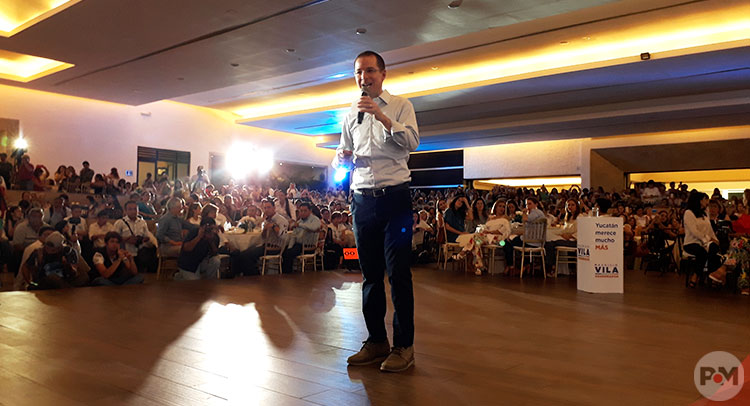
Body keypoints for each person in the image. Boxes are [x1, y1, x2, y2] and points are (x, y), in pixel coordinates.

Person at [335, 51, 419, 372]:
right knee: (369, 276)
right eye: (359, 72)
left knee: (398, 274)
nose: (363, 77)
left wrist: (382, 117)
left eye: (370, 70)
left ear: (383, 74)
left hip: (394, 198)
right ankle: (376, 341)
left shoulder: (400, 106)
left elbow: (412, 142)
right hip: (362, 200)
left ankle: (404, 346)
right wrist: (341, 158)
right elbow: (341, 153)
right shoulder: (350, 114)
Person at [21, 231, 88, 290]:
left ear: (60, 247)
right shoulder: (39, 252)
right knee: (53, 278)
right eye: (47, 248)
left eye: (53, 250)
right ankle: (69, 291)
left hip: (67, 279)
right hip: (45, 281)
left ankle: (69, 290)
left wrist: (66, 265)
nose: (49, 251)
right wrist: (30, 282)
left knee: (84, 277)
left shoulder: (68, 252)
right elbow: (25, 266)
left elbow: (74, 273)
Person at [683, 191, 723, 287]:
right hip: (692, 242)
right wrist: (708, 239)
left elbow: (709, 229)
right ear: (700, 200)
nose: (707, 202)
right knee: (702, 252)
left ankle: (712, 275)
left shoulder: (705, 213)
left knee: (714, 249)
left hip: (705, 242)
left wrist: (715, 239)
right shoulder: (689, 213)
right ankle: (696, 275)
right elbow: (694, 231)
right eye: (705, 199)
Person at [282, 202, 321, 274]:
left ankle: (287, 273)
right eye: (301, 211)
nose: (303, 213)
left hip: (308, 245)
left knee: (289, 253)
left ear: (310, 211)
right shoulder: (299, 221)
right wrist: (290, 247)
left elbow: (313, 228)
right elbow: (293, 236)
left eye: (305, 211)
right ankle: (285, 273)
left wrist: (300, 225)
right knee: (285, 251)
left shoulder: (315, 220)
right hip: (299, 245)